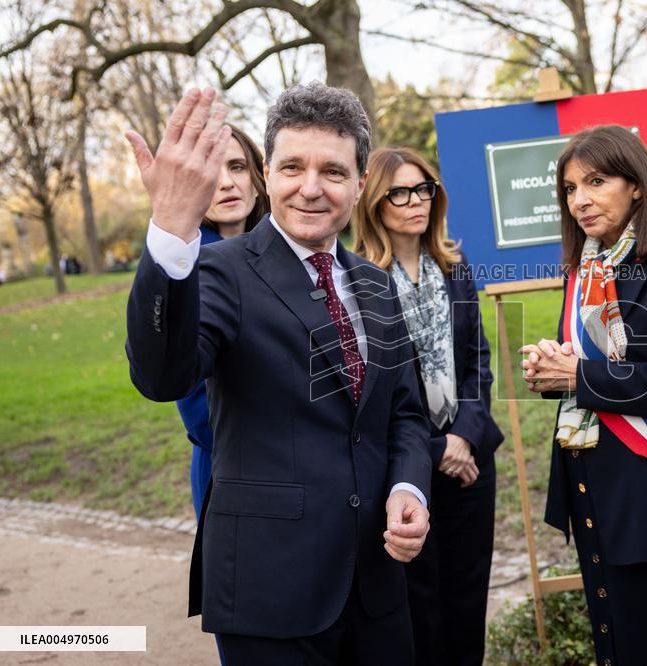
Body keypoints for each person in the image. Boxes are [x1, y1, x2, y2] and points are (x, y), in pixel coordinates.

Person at [123, 84, 432, 665]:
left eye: (333, 171)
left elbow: (406, 414)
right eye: (293, 167)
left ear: (360, 183)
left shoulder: (376, 282)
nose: (310, 188)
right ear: (269, 172)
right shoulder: (216, 270)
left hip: (378, 589)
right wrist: (170, 230)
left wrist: (408, 486)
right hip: (272, 592)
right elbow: (162, 377)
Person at [520, 125, 647, 666]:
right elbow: (590, 368)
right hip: (592, 483)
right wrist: (552, 370)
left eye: (596, 181)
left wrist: (580, 377)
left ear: (636, 185)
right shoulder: (585, 268)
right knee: (616, 642)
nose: (579, 200)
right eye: (568, 189)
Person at [353, 147, 504, 666]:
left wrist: (463, 436)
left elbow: (477, 362)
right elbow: (374, 386)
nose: (415, 201)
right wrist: (436, 446)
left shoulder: (454, 267)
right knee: (420, 604)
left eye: (423, 190)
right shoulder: (360, 282)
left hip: (470, 463)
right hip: (403, 470)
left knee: (467, 597)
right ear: (375, 202)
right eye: (400, 192)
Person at [174, 123, 269, 520]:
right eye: (211, 172)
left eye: (238, 167)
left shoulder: (285, 255)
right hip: (233, 471)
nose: (227, 183)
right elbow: (197, 409)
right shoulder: (185, 269)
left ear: (259, 178)